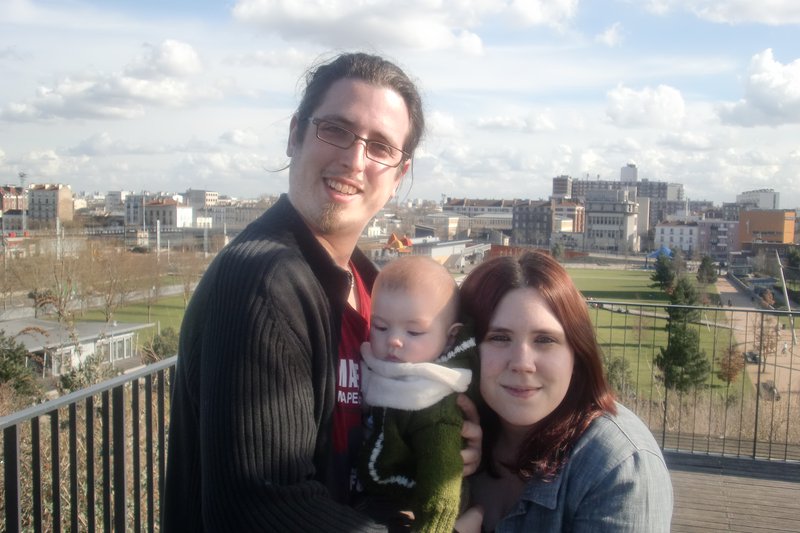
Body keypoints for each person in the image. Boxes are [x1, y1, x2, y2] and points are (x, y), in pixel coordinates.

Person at [162, 52, 481, 532]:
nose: (354, 160)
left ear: (399, 175)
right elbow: (259, 510)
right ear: (295, 135)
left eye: (380, 147)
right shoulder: (262, 285)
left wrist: (448, 446)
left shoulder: (370, 289)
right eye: (336, 129)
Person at [456, 251, 673, 532]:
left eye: (545, 339)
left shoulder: (617, 466)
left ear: (576, 356)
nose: (522, 363)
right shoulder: (443, 431)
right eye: (499, 337)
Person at [357, 255, 477, 532]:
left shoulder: (434, 398)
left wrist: (433, 526)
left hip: (418, 506)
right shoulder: (375, 365)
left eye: (413, 332)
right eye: (380, 327)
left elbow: (442, 476)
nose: (393, 340)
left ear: (450, 337)